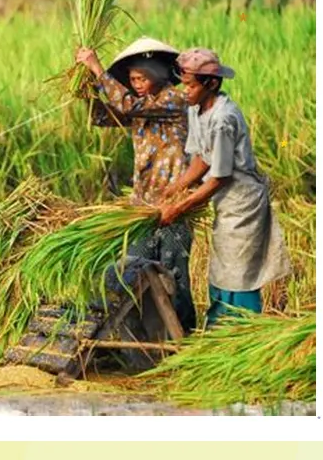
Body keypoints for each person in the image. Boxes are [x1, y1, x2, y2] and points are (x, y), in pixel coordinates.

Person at [159, 48, 291, 328]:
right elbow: (202, 158)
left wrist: (180, 207)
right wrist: (176, 188)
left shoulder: (224, 119)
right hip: (224, 200)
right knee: (222, 266)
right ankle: (220, 329)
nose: (186, 91)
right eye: (184, 84)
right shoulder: (196, 109)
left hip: (242, 203)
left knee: (239, 270)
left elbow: (219, 176)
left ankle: (241, 331)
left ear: (212, 84)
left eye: (192, 86)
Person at [75, 37, 197, 333]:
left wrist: (95, 67)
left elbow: (127, 104)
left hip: (173, 204)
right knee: (139, 269)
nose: (137, 83)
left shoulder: (172, 100)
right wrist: (85, 90)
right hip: (143, 204)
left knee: (173, 273)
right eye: (132, 79)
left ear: (156, 74)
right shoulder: (142, 110)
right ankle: (150, 339)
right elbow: (105, 116)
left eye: (141, 77)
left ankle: (184, 336)